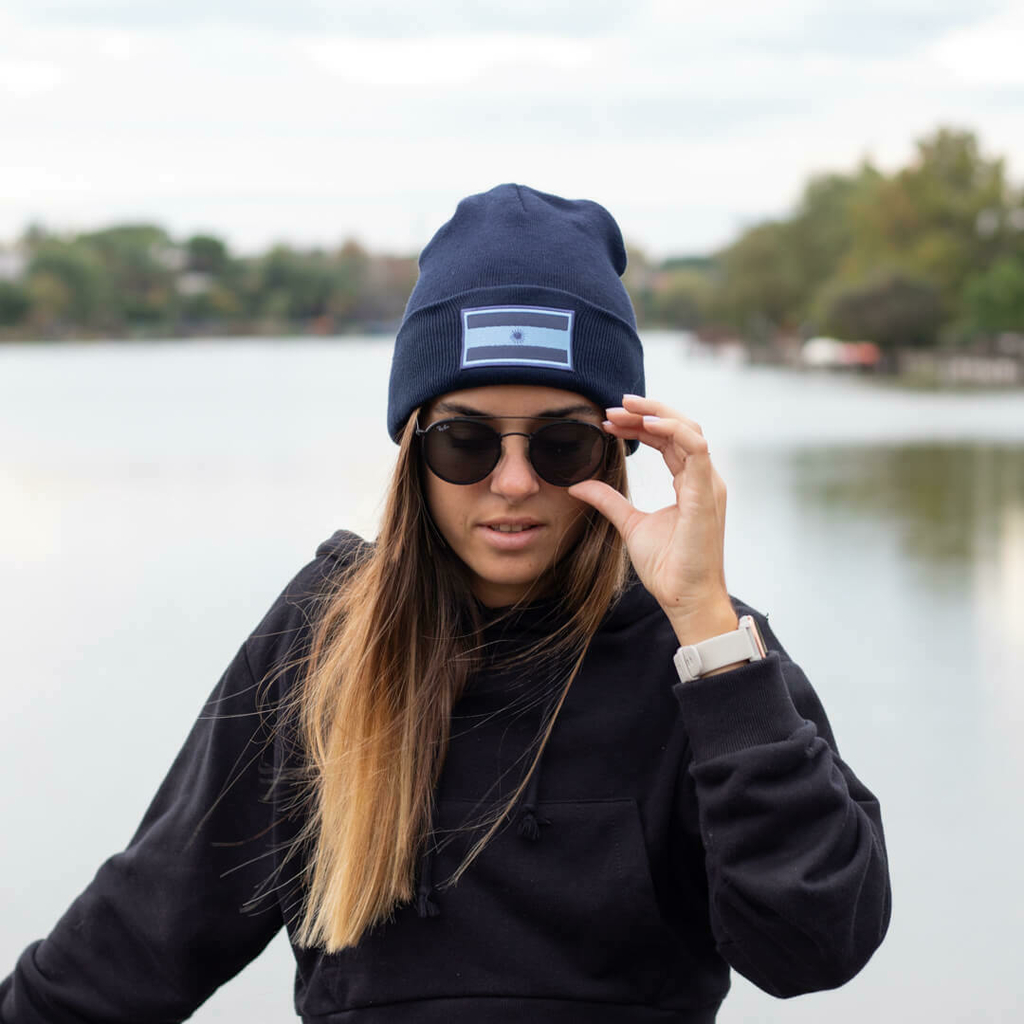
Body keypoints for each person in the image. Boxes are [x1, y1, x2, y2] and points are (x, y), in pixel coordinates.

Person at [0, 184, 890, 1022]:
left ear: (615, 450)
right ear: (414, 454)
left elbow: (815, 945)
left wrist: (705, 623)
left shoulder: (708, 653)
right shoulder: (324, 638)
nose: (513, 482)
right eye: (466, 440)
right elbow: (138, 939)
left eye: (561, 443)